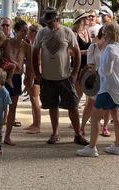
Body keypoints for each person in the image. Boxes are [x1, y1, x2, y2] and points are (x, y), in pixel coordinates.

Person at [32, 8, 88, 146]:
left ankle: (77, 134)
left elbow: (76, 53)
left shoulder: (67, 32)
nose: (49, 25)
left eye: (51, 22)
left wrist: (74, 72)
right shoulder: (41, 33)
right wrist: (37, 74)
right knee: (52, 105)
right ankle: (55, 132)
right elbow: (35, 53)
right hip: (47, 77)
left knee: (73, 105)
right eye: (47, 22)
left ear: (58, 20)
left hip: (65, 76)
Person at [76, 22, 119, 157]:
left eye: (104, 32)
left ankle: (92, 147)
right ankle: (118, 145)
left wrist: (97, 69)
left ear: (109, 34)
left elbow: (106, 70)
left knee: (95, 118)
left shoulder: (110, 49)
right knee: (117, 117)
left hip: (108, 88)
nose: (103, 35)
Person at [2, 20, 32, 145]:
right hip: (4, 76)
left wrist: (29, 79)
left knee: (12, 107)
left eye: (27, 31)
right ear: (16, 31)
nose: (25, 33)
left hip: (17, 77)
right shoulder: (6, 42)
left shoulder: (27, 46)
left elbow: (29, 65)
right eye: (23, 31)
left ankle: (7, 136)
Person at [23, 23, 42, 134]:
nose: (27, 33)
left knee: (35, 99)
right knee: (32, 98)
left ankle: (38, 124)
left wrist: (32, 76)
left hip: (36, 73)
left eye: (29, 31)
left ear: (34, 33)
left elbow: (38, 62)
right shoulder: (32, 43)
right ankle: (34, 122)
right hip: (31, 73)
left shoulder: (38, 44)